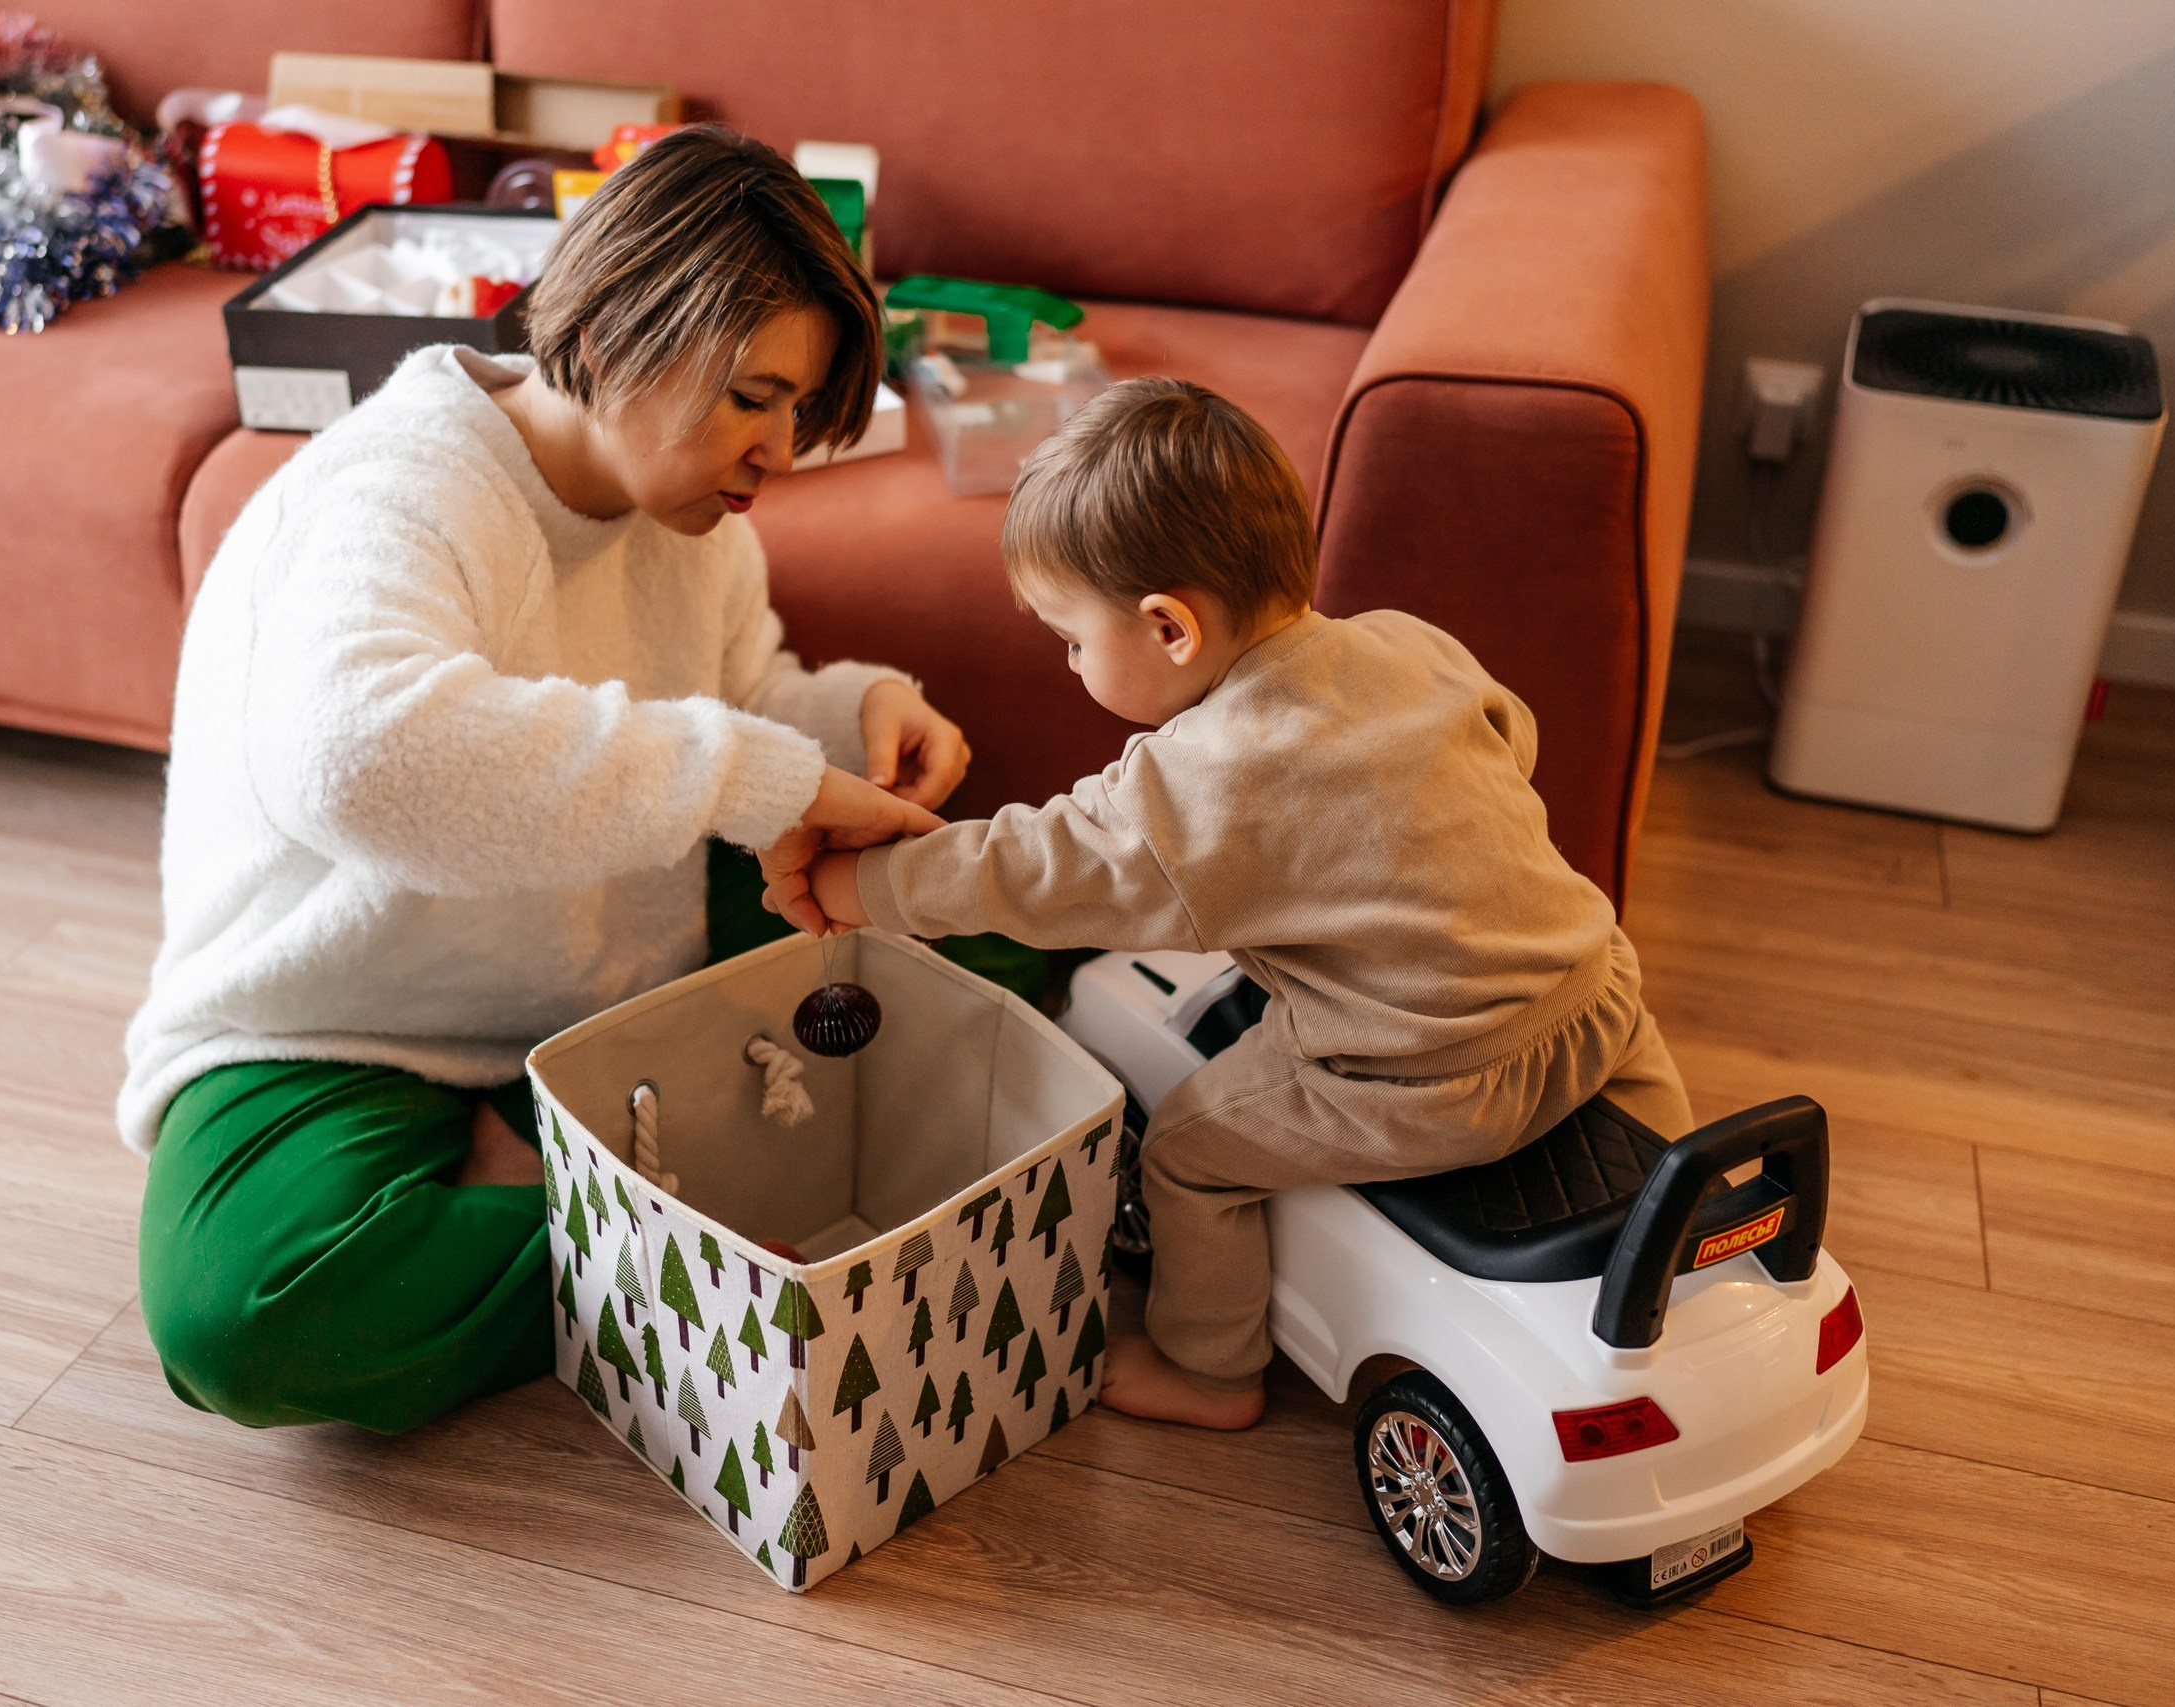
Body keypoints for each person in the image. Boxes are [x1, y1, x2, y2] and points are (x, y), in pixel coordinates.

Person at [121, 127, 967, 1433]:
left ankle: (594, 1199)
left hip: (591, 985)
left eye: (797, 411)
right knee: (239, 1316)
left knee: (980, 928)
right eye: (754, 396)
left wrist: (852, 712)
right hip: (347, 1014)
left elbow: (738, 707)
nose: (779, 452)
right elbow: (359, 761)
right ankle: (691, 1238)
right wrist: (750, 767)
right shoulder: (399, 487)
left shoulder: (693, 523)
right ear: (629, 322)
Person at [770, 378, 1691, 1430]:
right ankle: (1678, 1232)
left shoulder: (1201, 786)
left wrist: (860, 882)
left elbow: (1029, 870)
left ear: (1168, 628)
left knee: (1191, 1151)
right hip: (1594, 991)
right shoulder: (1404, 642)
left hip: (1429, 1081)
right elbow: (1511, 740)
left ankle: (1209, 1371)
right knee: (1641, 1124)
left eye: (1070, 639)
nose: (1068, 662)